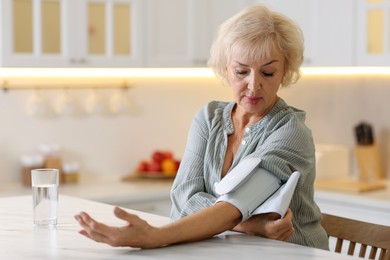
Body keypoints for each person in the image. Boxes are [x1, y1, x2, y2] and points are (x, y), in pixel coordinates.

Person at [75, 5, 329, 250]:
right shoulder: (209, 118)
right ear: (226, 68)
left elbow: (235, 206)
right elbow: (184, 198)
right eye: (241, 71)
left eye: (268, 73)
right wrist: (253, 225)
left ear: (284, 73)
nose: (253, 85)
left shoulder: (291, 131)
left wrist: (154, 237)